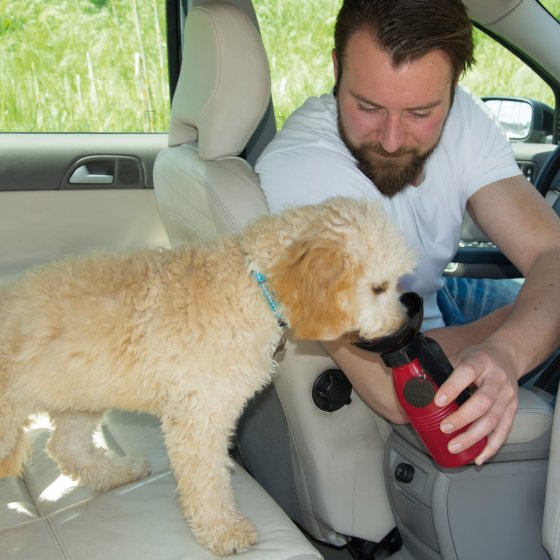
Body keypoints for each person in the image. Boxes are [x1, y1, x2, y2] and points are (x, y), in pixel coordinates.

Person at [255, 0, 560, 464]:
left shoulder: (464, 119)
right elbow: (390, 378)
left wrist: (508, 347)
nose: (392, 140)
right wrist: (524, 328)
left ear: (453, 88)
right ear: (337, 68)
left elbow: (551, 251)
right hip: (412, 351)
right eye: (367, 106)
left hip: (436, 304)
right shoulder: (306, 176)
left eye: (420, 113)